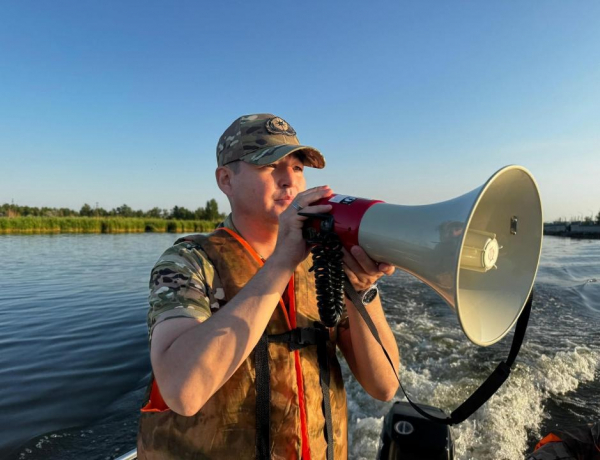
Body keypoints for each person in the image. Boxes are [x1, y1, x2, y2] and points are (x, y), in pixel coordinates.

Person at [137, 113, 400, 459]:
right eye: (269, 166)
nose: (289, 181)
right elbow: (181, 391)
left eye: (298, 168)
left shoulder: (322, 263)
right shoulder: (189, 262)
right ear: (226, 180)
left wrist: (362, 290)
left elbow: (384, 386)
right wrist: (281, 262)